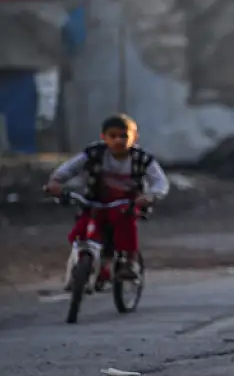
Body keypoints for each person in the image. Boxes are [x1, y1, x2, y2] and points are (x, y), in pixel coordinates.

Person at [45, 114, 170, 287]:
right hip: (95, 201)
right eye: (112, 136)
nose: (118, 140)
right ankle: (86, 265)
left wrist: (150, 196)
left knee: (125, 226)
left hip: (125, 204)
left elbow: (160, 182)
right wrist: (56, 182)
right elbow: (69, 168)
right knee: (82, 229)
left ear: (135, 138)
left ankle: (129, 261)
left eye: (124, 136)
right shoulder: (94, 153)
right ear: (103, 137)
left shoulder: (142, 159)